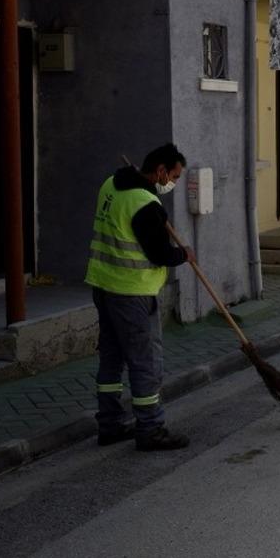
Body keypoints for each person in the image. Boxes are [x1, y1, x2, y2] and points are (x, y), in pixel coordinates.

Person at [85, 143, 194, 451]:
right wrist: (183, 255)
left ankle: (109, 425)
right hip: (132, 293)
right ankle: (150, 428)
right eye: (172, 176)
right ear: (160, 170)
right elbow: (159, 254)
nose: (171, 183)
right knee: (145, 362)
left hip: (103, 286)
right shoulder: (146, 204)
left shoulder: (110, 184)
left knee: (111, 359)